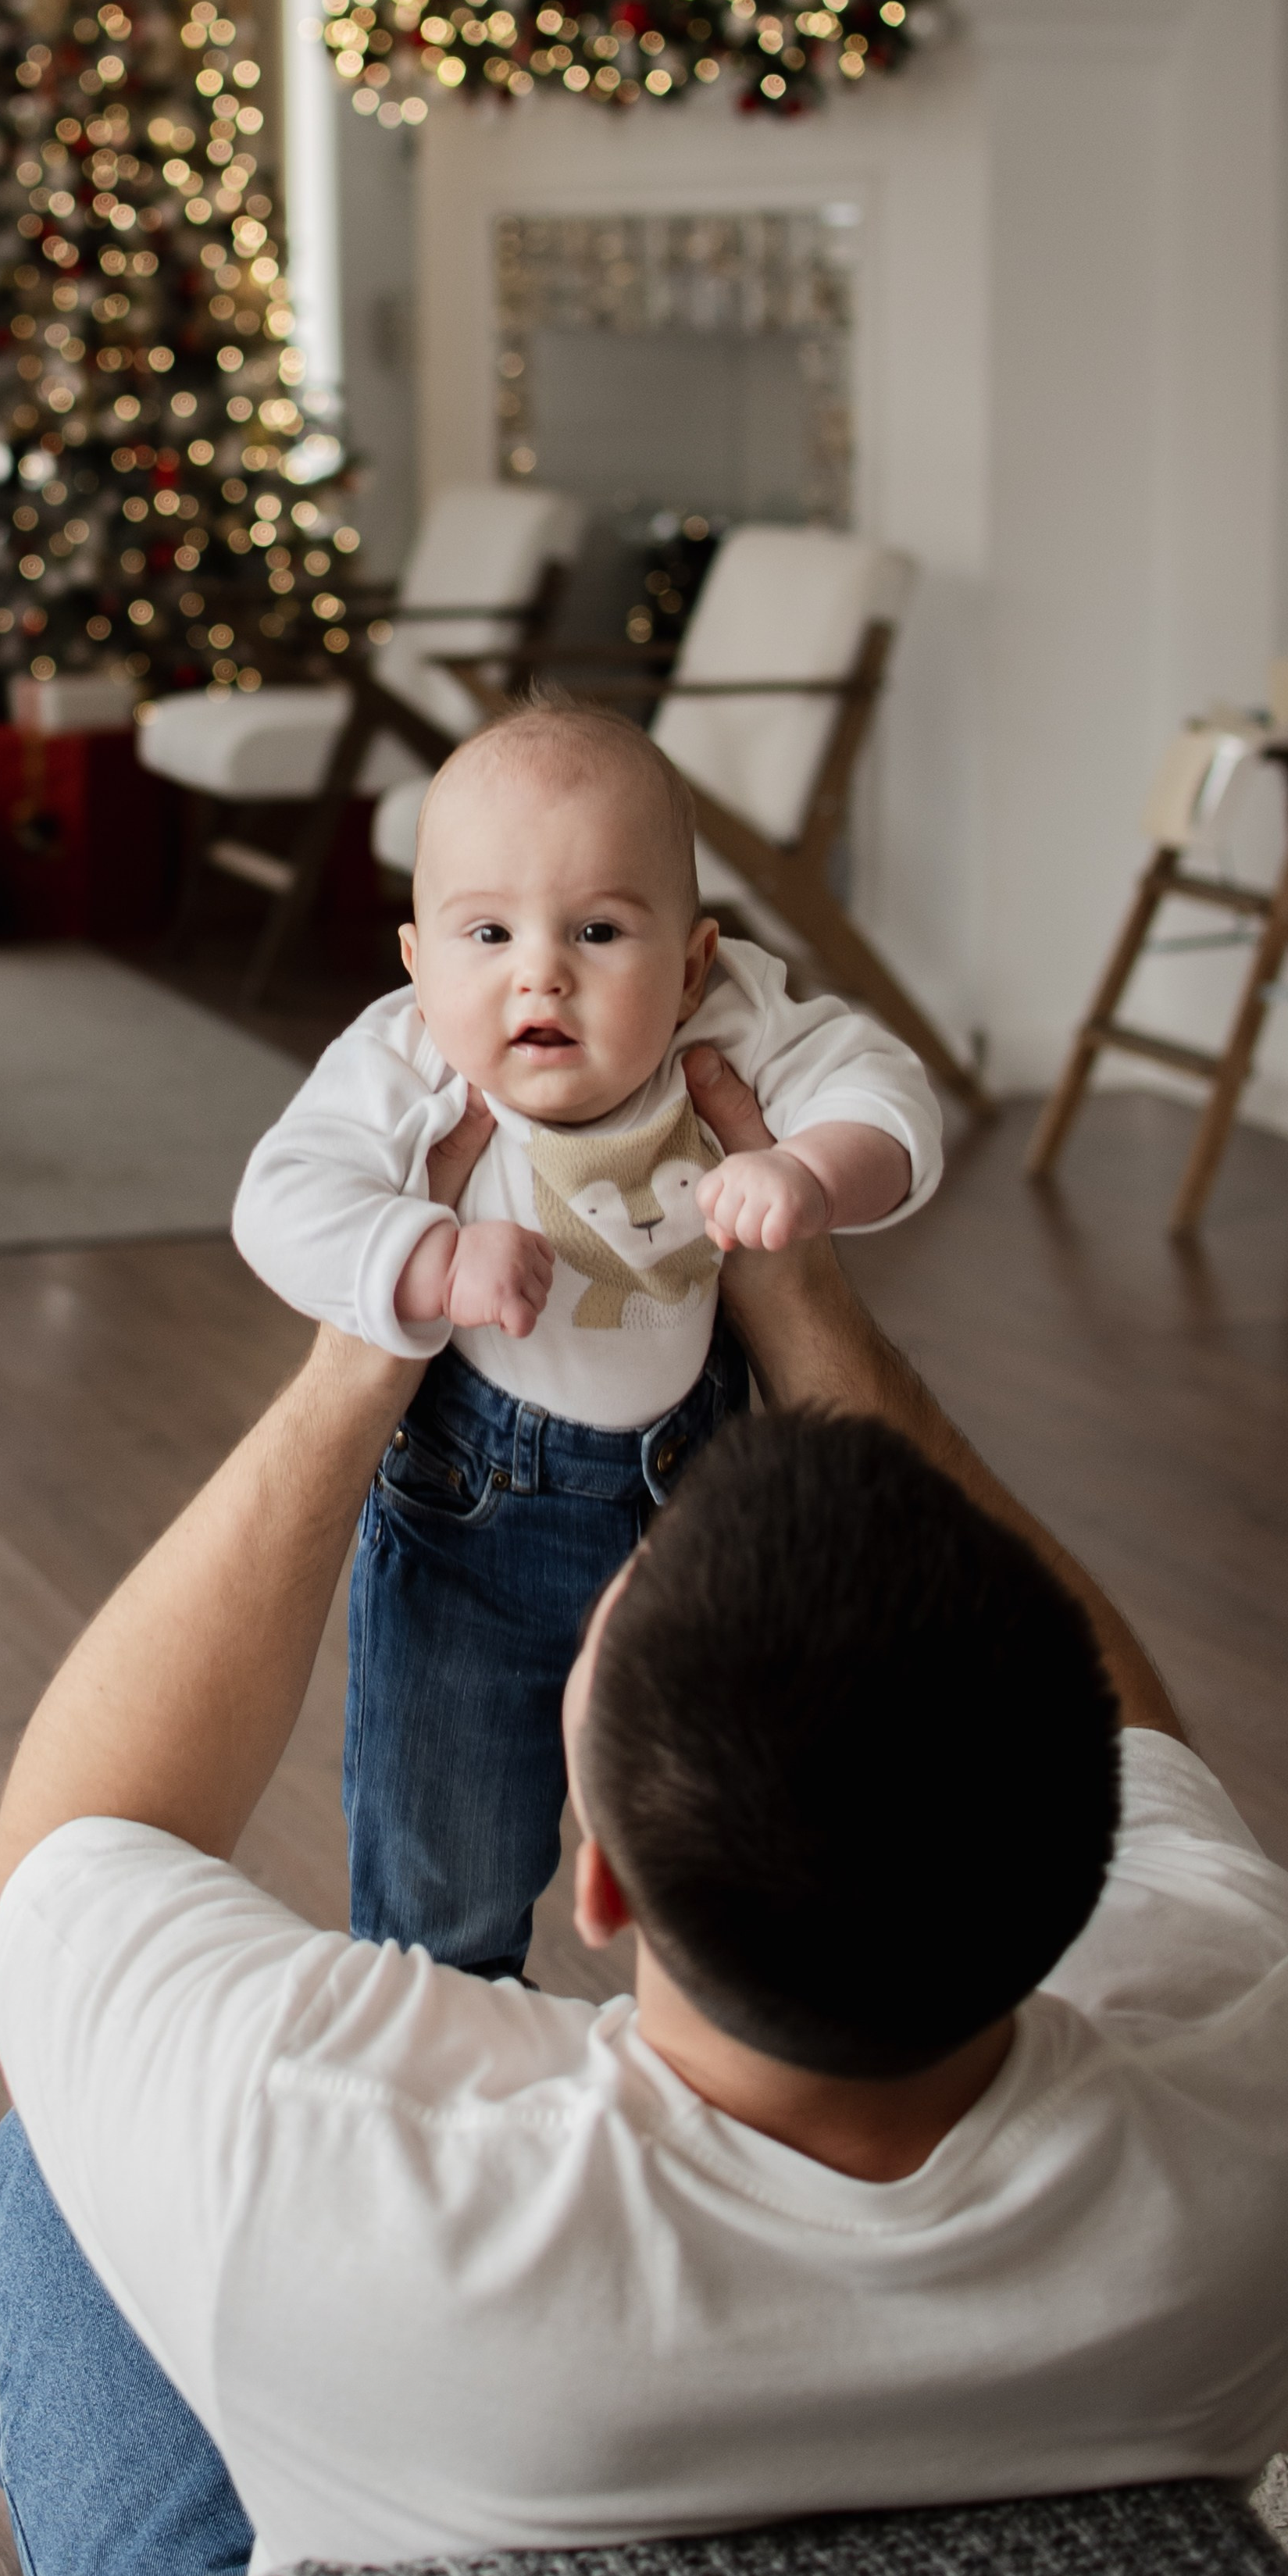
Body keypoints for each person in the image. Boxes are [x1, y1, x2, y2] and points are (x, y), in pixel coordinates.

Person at [0, 1061, 1288, 2576]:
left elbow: (75, 1846)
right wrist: (811, 1313)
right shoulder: (1273, 2039)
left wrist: (356, 1361)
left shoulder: (328, 2149)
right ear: (1084, 1850)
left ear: (602, 1878)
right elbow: (1139, 1738)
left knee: (49, 2175)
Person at [230, 698, 943, 1976]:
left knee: (745, 1847)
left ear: (689, 959)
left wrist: (818, 1171)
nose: (539, 973)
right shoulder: (412, 1064)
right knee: (444, 1876)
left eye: (598, 930)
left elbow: (881, 1083)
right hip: (472, 1534)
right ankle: (456, 2050)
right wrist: (426, 1253)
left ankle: (727, 2053)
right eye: (488, 933)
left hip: (706, 1511)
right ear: (415, 958)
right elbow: (280, 1201)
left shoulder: (723, 1019)